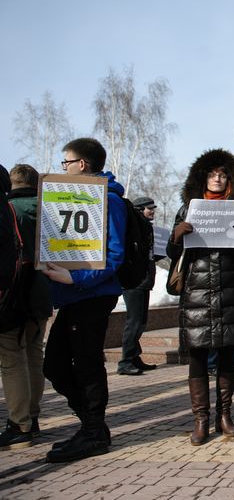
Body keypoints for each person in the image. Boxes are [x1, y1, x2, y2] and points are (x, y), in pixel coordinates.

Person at [167, 149, 234, 446]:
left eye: (222, 174)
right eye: (212, 174)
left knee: (227, 356)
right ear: (202, 178)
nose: (218, 179)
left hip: (230, 287)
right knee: (197, 356)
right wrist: (177, 235)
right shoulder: (188, 209)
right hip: (196, 289)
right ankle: (200, 419)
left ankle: (225, 415)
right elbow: (173, 254)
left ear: (230, 179)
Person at [41, 138, 127, 462]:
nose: (63, 167)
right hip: (74, 295)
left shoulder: (109, 200)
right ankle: (93, 427)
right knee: (55, 365)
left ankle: (93, 433)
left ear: (82, 164)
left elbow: (114, 255)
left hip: (93, 294)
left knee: (87, 364)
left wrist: (76, 278)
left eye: (66, 162)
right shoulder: (72, 197)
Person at [0, 164, 53, 450]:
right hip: (42, 291)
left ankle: (19, 424)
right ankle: (32, 417)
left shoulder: (7, 209)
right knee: (34, 354)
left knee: (11, 358)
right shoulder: (49, 209)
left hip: (13, 293)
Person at [117, 196, 162, 375]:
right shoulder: (134, 227)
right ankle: (125, 361)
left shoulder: (145, 227)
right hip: (134, 281)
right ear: (139, 209)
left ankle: (134, 357)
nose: (152, 212)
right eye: (149, 208)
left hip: (144, 280)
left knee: (141, 321)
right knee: (134, 322)